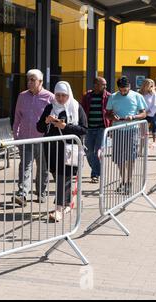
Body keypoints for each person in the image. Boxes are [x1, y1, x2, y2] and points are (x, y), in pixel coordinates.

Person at [37, 81, 88, 222]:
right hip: (51, 149)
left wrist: (65, 126)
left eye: (63, 95)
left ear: (68, 95)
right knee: (59, 177)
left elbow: (83, 129)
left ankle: (58, 209)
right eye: (58, 95)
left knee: (62, 177)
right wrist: (47, 121)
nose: (60, 98)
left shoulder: (76, 107)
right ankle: (66, 203)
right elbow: (39, 128)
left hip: (69, 149)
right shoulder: (50, 107)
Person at [12, 69, 53, 206]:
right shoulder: (22, 96)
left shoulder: (49, 97)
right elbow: (17, 116)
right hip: (25, 138)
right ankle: (22, 194)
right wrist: (16, 135)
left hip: (42, 139)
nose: (29, 82)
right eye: (28, 79)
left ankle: (41, 193)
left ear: (40, 82)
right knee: (25, 166)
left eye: (33, 80)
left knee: (43, 168)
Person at [106, 76, 147, 195]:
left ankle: (128, 181)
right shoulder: (113, 96)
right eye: (121, 90)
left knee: (131, 157)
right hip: (118, 130)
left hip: (132, 130)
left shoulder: (137, 96)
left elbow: (144, 113)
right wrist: (113, 117)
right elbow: (107, 113)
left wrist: (133, 117)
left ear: (129, 86)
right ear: (118, 88)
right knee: (119, 158)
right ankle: (123, 180)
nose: (123, 92)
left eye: (126, 89)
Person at [81, 77, 111, 183]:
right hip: (89, 128)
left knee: (97, 152)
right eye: (103, 84)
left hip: (102, 128)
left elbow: (111, 112)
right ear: (96, 85)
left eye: (105, 84)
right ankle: (96, 169)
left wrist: (110, 128)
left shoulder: (108, 96)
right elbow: (82, 111)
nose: (105, 86)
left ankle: (95, 174)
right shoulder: (87, 96)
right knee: (88, 152)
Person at [139, 79, 156, 146]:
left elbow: (155, 105)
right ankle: (142, 148)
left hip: (148, 115)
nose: (151, 86)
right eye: (149, 84)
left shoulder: (153, 93)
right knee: (141, 132)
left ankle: (144, 149)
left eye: (152, 84)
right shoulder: (139, 92)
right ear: (145, 84)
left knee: (145, 132)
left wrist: (146, 113)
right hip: (139, 114)